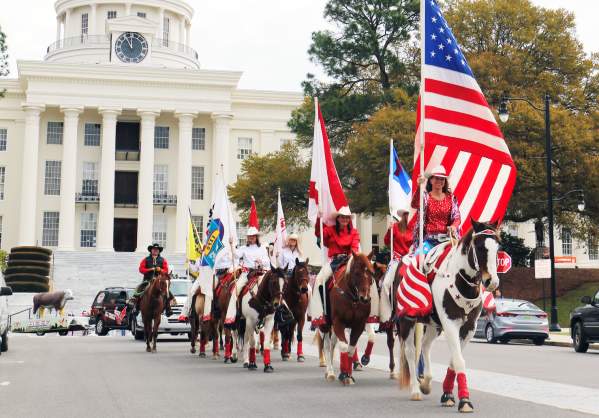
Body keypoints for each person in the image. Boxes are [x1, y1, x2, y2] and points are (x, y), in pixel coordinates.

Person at [309, 207, 360, 326]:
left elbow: (355, 247)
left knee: (367, 278)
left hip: (349, 260)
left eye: (347, 217)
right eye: (342, 217)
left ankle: (365, 313)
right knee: (319, 281)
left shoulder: (354, 232)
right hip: (334, 261)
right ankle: (322, 314)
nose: (345, 219)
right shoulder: (330, 230)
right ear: (337, 218)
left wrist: (351, 259)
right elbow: (319, 234)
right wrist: (318, 219)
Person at [224, 226, 270, 326]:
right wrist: (231, 245)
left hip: (260, 273)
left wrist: (261, 261)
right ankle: (231, 315)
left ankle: (271, 311)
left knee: (269, 288)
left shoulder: (262, 248)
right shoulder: (243, 248)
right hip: (246, 274)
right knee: (235, 290)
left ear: (256, 237)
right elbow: (236, 255)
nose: (251, 238)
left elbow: (267, 261)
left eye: (253, 236)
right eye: (249, 237)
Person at [411, 165, 461, 253]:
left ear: (445, 182)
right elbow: (414, 204)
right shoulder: (425, 197)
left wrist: (453, 226)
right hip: (429, 241)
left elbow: (457, 217)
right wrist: (419, 186)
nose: (439, 181)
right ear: (431, 180)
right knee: (418, 258)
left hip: (447, 240)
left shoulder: (451, 198)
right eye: (436, 178)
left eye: (442, 179)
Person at [379, 207, 413, 326]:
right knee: (385, 284)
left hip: (411, 259)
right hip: (397, 260)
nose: (409, 216)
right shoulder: (395, 227)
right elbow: (387, 242)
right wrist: (389, 231)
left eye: (410, 214)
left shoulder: (417, 228)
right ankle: (387, 315)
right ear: (403, 215)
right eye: (407, 214)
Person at [133, 243, 174, 317]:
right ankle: (136, 307)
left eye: (157, 250)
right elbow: (141, 269)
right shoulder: (145, 259)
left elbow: (166, 270)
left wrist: (160, 269)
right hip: (148, 280)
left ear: (159, 251)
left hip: (159, 280)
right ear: (151, 250)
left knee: (167, 291)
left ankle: (168, 308)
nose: (155, 251)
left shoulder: (163, 260)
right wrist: (150, 269)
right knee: (139, 290)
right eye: (154, 249)